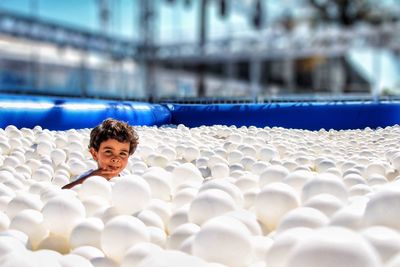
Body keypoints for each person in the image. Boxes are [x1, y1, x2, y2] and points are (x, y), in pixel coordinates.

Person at [62, 118, 139, 189]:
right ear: (94, 154)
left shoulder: (126, 182)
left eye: (122, 153)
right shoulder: (86, 179)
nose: (116, 159)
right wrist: (89, 178)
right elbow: (63, 192)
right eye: (108, 152)